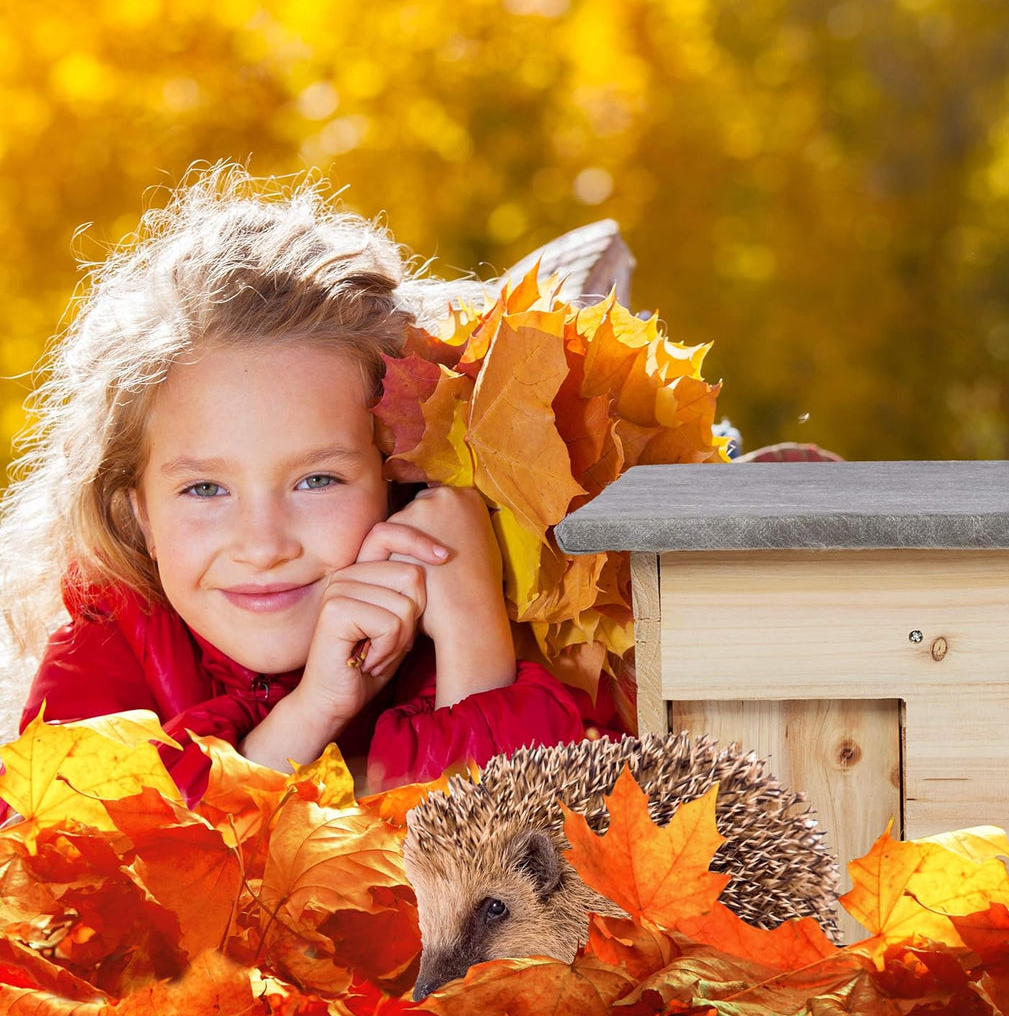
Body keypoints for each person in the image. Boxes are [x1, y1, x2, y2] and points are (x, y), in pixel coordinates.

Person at [0, 163, 615, 805]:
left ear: (400, 477)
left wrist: (474, 639)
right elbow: (90, 866)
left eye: (317, 479)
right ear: (141, 517)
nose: (263, 546)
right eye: (206, 489)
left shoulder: (510, 611)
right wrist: (313, 712)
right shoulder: (109, 638)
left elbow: (508, 883)